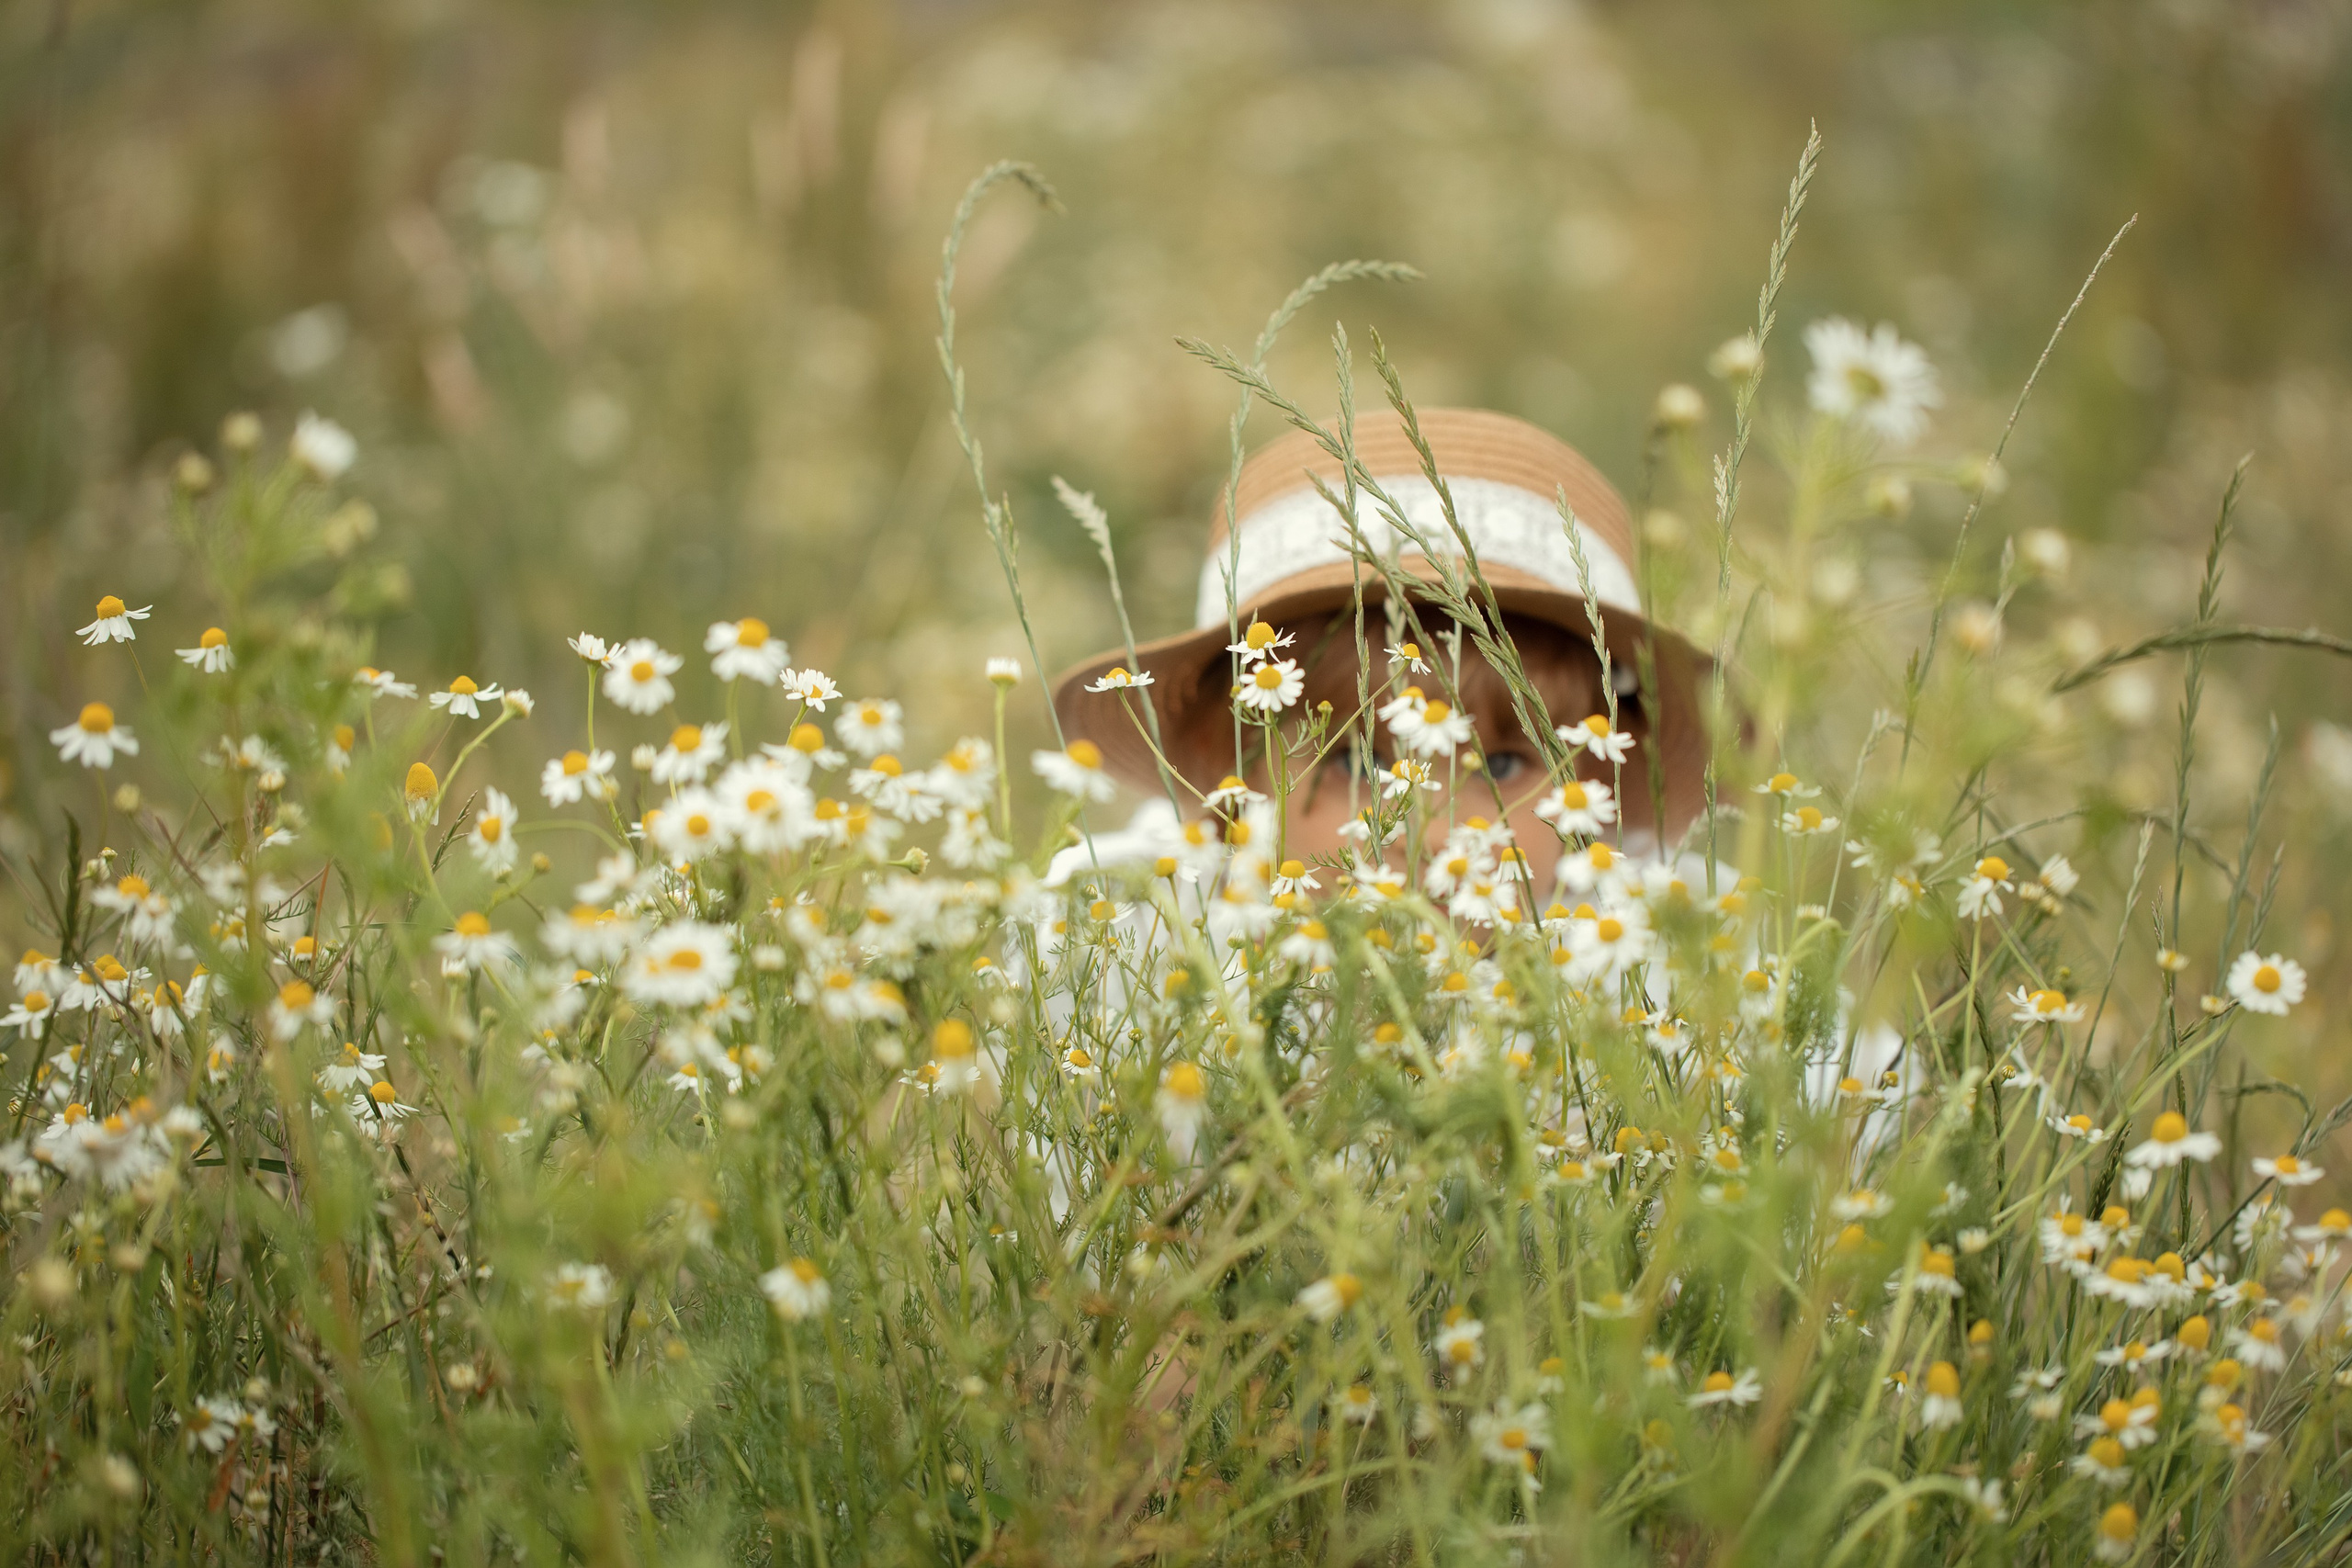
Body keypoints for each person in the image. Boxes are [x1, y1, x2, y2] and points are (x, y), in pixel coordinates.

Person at [1050, 408, 1710, 903]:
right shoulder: (1132, 923)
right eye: (1357, 760)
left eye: (1501, 765)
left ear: (1602, 786)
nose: (1429, 836)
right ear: (1232, 775)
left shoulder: (1662, 958)